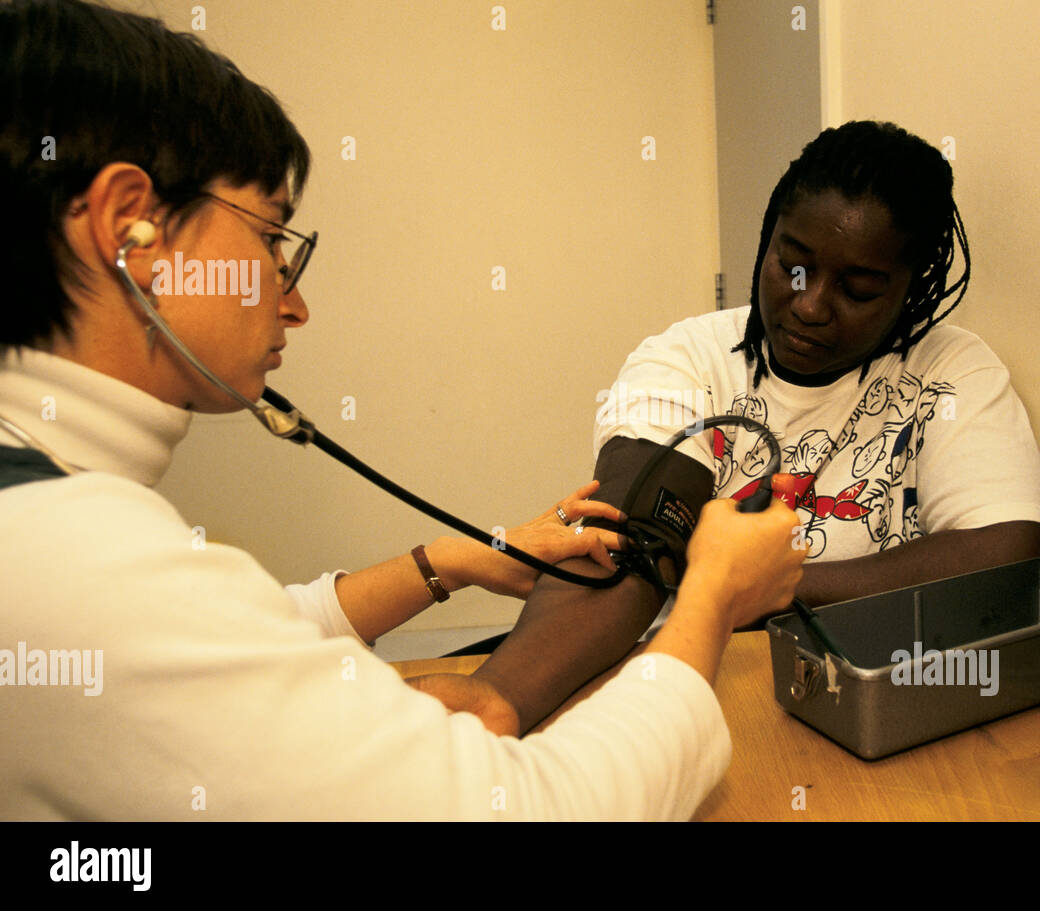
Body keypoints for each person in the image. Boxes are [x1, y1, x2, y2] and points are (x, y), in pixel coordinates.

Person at [0, 0, 806, 820]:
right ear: (128, 229)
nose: (294, 302)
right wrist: (710, 595)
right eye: (272, 237)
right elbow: (532, 811)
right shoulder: (79, 566)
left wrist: (451, 562)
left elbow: (233, 634)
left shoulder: (48, 522)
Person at [471, 121, 1040, 734]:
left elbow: (1009, 552)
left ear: (915, 290)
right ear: (767, 239)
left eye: (858, 289)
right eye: (792, 266)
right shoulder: (687, 357)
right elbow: (632, 544)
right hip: (676, 680)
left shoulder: (949, 370)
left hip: (854, 705)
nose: (810, 304)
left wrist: (770, 582)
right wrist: (495, 706)